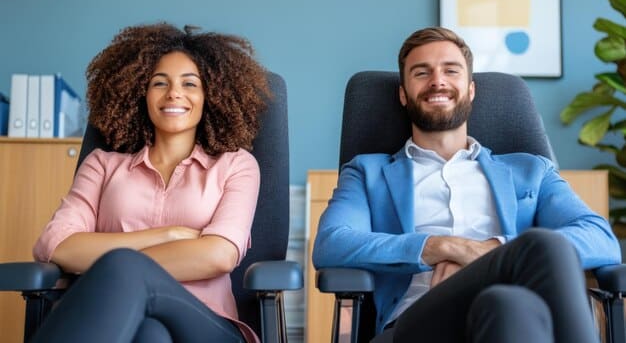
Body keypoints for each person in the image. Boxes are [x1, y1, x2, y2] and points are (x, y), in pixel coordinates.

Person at [312, 26, 622, 343]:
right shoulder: (368, 172)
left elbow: (599, 238)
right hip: (419, 322)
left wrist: (488, 252)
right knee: (543, 246)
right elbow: (332, 243)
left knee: (508, 304)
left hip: (515, 313)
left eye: (451, 70)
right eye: (422, 72)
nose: (437, 81)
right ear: (403, 94)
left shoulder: (531, 170)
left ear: (470, 89)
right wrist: (440, 247)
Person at [31, 22, 271, 343]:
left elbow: (218, 255)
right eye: (160, 83)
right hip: (128, 321)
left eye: (190, 84)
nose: (174, 93)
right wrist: (167, 235)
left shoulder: (235, 165)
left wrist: (115, 266)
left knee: (125, 267)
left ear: (209, 96)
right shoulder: (102, 165)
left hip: (207, 323)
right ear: (140, 94)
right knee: (151, 334)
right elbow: (56, 244)